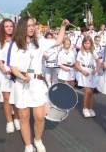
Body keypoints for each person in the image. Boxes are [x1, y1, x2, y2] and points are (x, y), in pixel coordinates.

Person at [9, 17, 68, 152]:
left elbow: (58, 41)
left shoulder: (40, 43)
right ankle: (28, 145)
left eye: (33, 25)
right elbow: (13, 67)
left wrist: (63, 26)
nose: (31, 28)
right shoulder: (15, 45)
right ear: (23, 27)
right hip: (21, 84)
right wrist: (22, 76)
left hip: (37, 84)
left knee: (40, 117)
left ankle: (38, 139)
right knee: (24, 118)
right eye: (28, 25)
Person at [0, 19, 21, 133]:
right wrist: (5, 71)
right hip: (5, 74)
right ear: (2, 28)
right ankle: (9, 121)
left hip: (17, 73)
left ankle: (17, 118)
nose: (9, 28)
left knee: (17, 98)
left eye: (11, 26)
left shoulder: (18, 41)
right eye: (6, 26)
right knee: (6, 98)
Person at [75, 36, 99, 118]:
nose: (87, 45)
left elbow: (98, 62)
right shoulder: (80, 52)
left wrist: (96, 70)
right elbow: (77, 64)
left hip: (92, 73)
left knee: (91, 92)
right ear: (83, 44)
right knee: (87, 91)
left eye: (88, 43)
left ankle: (90, 108)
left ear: (91, 43)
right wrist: (82, 71)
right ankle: (85, 108)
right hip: (84, 73)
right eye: (85, 43)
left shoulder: (93, 52)